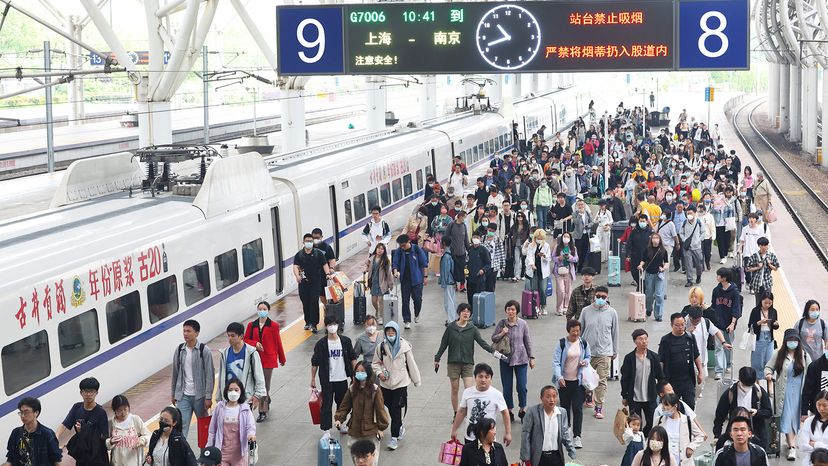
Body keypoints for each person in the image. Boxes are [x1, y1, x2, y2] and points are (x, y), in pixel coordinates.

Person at [436, 304, 504, 415]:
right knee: (454, 389)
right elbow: (444, 344)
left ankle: (469, 412)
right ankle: (456, 412)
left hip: (467, 363)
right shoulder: (451, 328)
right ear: (459, 313)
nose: (466, 313)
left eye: (468, 311)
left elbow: (482, 343)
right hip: (453, 363)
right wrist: (437, 358)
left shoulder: (472, 329)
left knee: (469, 389)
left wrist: (493, 352)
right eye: (463, 311)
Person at [373, 321, 421, 450]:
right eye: (388, 332)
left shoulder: (405, 347)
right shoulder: (381, 347)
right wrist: (379, 374)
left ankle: (394, 437)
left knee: (396, 409)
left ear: (397, 332)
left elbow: (411, 364)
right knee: (389, 407)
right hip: (386, 384)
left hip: (401, 383)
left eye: (392, 332)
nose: (390, 334)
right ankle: (399, 426)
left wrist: (416, 380)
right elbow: (375, 363)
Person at [311, 315, 357, 438]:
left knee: (342, 403)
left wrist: (354, 374)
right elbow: (315, 362)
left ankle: (341, 424)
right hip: (327, 379)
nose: (332, 327)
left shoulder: (345, 341)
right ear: (326, 326)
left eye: (334, 324)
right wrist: (313, 379)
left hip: (342, 377)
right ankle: (326, 430)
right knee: (327, 404)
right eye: (330, 324)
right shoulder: (321, 344)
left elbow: (353, 358)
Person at [335, 361, 389, 464]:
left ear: (368, 373)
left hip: (371, 431)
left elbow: (380, 410)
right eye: (357, 371)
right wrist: (339, 419)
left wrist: (381, 428)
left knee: (371, 461)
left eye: (362, 371)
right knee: (358, 461)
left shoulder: (375, 390)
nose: (359, 373)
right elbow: (344, 406)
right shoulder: (352, 389)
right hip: (355, 430)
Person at [764, 328, 806, 461]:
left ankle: (791, 443)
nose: (792, 342)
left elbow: (811, 371)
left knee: (795, 419)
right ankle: (792, 447)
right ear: (785, 341)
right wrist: (769, 374)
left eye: (795, 340)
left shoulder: (804, 355)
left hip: (799, 393)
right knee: (788, 418)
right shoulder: (778, 353)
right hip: (784, 392)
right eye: (790, 340)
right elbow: (768, 367)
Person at [579, 286, 619, 420]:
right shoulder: (586, 311)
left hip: (604, 352)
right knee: (586, 379)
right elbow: (580, 330)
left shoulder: (612, 313)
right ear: (594, 296)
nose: (600, 299)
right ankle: (588, 394)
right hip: (588, 353)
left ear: (607, 298)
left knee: (602, 381)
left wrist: (615, 351)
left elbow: (615, 333)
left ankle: (599, 407)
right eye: (598, 296)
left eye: (603, 297)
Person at [492, 300, 536, 422]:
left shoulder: (523, 324)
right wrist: (502, 333)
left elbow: (528, 341)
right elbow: (494, 338)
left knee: (521, 386)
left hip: (521, 359)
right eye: (508, 309)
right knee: (507, 387)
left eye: (513, 309)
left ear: (517, 311)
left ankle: (522, 409)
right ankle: (509, 411)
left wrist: (531, 357)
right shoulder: (502, 324)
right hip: (505, 359)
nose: (510, 311)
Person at [243, 302, 286, 423]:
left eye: (264, 309)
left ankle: (262, 411)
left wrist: (282, 358)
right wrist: (255, 344)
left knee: (264, 385)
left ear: (268, 310)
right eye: (260, 309)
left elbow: (278, 342)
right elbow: (246, 340)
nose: (262, 311)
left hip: (269, 359)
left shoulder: (274, 325)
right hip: (256, 359)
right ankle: (267, 399)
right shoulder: (252, 325)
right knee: (258, 385)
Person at [450, 364, 512, 447]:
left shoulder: (497, 394)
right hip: (470, 437)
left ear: (491, 379)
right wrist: (454, 429)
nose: (483, 380)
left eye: (487, 377)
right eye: (480, 376)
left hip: (488, 437)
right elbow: (461, 412)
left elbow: (505, 413)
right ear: (475, 377)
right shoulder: (467, 392)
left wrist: (508, 433)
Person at [171, 319, 215, 436]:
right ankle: (182, 453)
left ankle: (204, 453)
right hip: (183, 395)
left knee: (203, 426)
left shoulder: (204, 351)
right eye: (184, 331)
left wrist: (209, 397)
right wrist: (173, 393)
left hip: (200, 396)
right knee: (181, 426)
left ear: (197, 333)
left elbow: (210, 375)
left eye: (189, 331)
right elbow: (175, 373)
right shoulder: (180, 350)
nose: (185, 334)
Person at [713, 367, 773, 450]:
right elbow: (720, 415)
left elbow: (769, 412)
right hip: (734, 437)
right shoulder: (731, 393)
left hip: (757, 435)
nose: (747, 388)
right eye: (745, 385)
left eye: (750, 385)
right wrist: (717, 435)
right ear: (739, 380)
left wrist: (757, 412)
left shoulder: (759, 392)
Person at [552, 319, 590, 448]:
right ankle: (566, 430)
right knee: (565, 407)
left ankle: (577, 436)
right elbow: (556, 362)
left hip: (578, 382)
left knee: (578, 408)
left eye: (578, 330)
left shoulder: (583, 343)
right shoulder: (562, 344)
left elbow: (588, 356)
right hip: (564, 382)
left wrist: (585, 361)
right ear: (568, 330)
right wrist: (559, 377)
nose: (576, 333)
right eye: (573, 330)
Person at [621, 329, 664, 437]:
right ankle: (636, 442)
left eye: (645, 338)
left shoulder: (653, 357)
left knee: (652, 421)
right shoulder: (629, 358)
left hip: (650, 396)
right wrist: (624, 395)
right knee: (635, 423)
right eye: (641, 339)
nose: (644, 341)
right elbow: (625, 378)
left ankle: (644, 436)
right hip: (634, 397)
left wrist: (661, 393)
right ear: (635, 341)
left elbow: (660, 376)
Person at [520, 385, 577, 466]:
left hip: (556, 455)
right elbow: (526, 434)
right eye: (548, 397)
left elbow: (565, 433)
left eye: (554, 396)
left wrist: (571, 449)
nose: (552, 400)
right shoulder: (532, 411)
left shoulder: (562, 412)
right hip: (539, 456)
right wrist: (525, 457)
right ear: (541, 398)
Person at [56, 377, 108, 464]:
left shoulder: (101, 412)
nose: (88, 394)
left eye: (91, 391)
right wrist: (55, 438)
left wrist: (83, 430)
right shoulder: (76, 407)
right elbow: (64, 424)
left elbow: (104, 436)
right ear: (81, 393)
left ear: (96, 393)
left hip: (97, 455)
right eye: (85, 391)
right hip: (82, 453)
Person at [216, 323, 266, 410]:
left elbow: (259, 375)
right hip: (228, 397)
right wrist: (219, 397)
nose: (230, 339)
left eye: (233, 336)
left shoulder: (251, 353)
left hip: (246, 398)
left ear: (241, 336)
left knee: (244, 422)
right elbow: (221, 376)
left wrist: (257, 396)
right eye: (228, 336)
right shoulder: (224, 353)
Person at [657, 314, 703, 410]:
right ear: (671, 325)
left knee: (690, 405)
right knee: (672, 406)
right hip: (671, 380)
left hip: (687, 379)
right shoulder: (665, 340)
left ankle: (688, 423)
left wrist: (700, 373)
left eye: (682, 324)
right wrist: (661, 380)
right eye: (677, 325)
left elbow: (696, 355)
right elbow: (661, 361)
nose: (680, 327)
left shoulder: (690, 338)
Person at [206, 379, 256, 466]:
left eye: (236, 390)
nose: (233, 392)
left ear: (241, 392)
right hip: (222, 453)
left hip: (239, 455)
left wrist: (251, 435)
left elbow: (250, 426)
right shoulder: (219, 407)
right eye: (230, 390)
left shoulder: (245, 409)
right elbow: (212, 430)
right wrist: (209, 447)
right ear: (226, 391)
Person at [3, 397, 61, 466]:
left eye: (26, 412)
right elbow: (10, 458)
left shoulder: (47, 434)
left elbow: (56, 460)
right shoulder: (16, 433)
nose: (23, 416)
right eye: (21, 412)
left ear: (36, 413)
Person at [294, 233, 332, 332]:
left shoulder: (318, 253)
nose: (309, 243)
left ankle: (314, 324)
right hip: (303, 283)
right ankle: (307, 322)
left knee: (314, 302)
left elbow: (324, 264)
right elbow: (295, 266)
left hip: (315, 282)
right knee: (305, 302)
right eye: (307, 241)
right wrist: (297, 276)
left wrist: (327, 273)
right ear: (303, 242)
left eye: (310, 241)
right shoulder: (299, 255)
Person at [684, 305, 732, 381]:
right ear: (690, 317)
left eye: (698, 320)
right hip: (687, 361)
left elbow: (716, 332)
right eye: (695, 321)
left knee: (702, 381)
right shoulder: (683, 323)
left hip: (702, 359)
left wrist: (723, 342)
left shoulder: (705, 322)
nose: (697, 322)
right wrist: (687, 332)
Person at [391, 235, 429, 328]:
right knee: (405, 301)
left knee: (417, 299)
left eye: (404, 245)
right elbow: (395, 263)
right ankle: (407, 320)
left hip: (417, 280)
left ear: (409, 242)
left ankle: (417, 313)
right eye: (401, 246)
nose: (402, 247)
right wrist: (395, 272)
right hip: (405, 280)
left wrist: (425, 277)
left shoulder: (416, 250)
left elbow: (424, 263)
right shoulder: (399, 251)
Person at [656, 393, 704, 466]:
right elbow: (652, 437)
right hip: (664, 461)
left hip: (683, 461)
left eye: (666, 405)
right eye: (662, 405)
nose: (663, 408)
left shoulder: (687, 420)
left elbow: (700, 435)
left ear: (675, 406)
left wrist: (691, 447)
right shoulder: (659, 421)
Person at [712, 268, 742, 380]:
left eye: (718, 275)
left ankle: (728, 364)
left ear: (724, 278)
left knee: (728, 346)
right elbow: (713, 306)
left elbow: (736, 308)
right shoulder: (716, 290)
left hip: (729, 324)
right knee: (718, 347)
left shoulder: (734, 292)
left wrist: (733, 323)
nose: (717, 277)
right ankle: (719, 370)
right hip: (718, 324)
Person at [107, 395, 151, 466]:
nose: (123, 412)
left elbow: (148, 435)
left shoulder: (135, 420)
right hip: (117, 463)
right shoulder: (111, 423)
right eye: (119, 410)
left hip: (136, 462)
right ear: (114, 410)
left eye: (125, 409)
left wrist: (141, 440)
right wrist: (111, 442)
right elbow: (105, 444)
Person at [747, 292, 779, 377]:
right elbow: (750, 325)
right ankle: (757, 383)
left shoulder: (773, 311)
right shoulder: (755, 311)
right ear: (761, 301)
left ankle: (769, 381)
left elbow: (775, 326)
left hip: (769, 338)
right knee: (757, 362)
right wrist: (760, 322)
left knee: (769, 361)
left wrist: (775, 324)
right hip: (758, 337)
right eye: (765, 303)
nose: (767, 305)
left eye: (770, 303)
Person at [639, 233, 669, 321]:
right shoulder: (647, 250)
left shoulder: (663, 250)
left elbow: (666, 262)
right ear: (651, 240)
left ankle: (658, 315)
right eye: (654, 238)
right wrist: (641, 266)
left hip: (659, 275)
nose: (655, 240)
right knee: (649, 295)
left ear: (660, 240)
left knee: (659, 295)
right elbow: (643, 260)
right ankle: (649, 308)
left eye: (657, 238)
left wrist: (664, 268)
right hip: (649, 274)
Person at [745, 237, 780, 308]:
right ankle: (758, 317)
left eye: (766, 245)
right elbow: (747, 269)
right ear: (759, 246)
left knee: (768, 301)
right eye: (763, 245)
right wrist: (757, 267)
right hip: (757, 283)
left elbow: (776, 268)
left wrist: (770, 264)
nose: (765, 247)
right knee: (758, 302)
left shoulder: (771, 256)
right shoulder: (754, 256)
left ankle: (767, 316)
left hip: (767, 282)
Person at [524, 228, 552, 315]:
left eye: (541, 238)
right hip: (534, 270)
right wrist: (532, 265)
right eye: (538, 238)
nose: (539, 240)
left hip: (543, 271)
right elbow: (529, 256)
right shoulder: (531, 245)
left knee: (543, 289)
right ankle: (537, 306)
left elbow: (549, 258)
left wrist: (544, 255)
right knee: (534, 290)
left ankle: (544, 306)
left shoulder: (546, 245)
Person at [363, 242, 393, 323]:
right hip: (373, 282)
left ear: (384, 251)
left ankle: (380, 316)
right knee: (373, 301)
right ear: (376, 249)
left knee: (381, 301)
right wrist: (366, 269)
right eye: (379, 248)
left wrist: (390, 284)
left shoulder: (386, 261)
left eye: (382, 249)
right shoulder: (372, 258)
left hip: (382, 282)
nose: (380, 250)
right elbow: (367, 265)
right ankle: (377, 311)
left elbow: (389, 273)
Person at [552, 232, 578, 316]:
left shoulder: (573, 248)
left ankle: (566, 307)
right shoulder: (557, 247)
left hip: (568, 272)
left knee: (568, 291)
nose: (566, 238)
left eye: (567, 237)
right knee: (561, 291)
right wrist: (559, 258)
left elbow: (576, 259)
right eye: (564, 236)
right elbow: (553, 257)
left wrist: (569, 257)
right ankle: (559, 308)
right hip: (559, 271)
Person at [678, 206, 704, 287]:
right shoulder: (684, 223)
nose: (689, 215)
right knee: (688, 264)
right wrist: (684, 239)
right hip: (687, 247)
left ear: (695, 213)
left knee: (698, 263)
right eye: (687, 213)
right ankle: (689, 280)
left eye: (690, 213)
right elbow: (681, 232)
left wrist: (699, 240)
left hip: (697, 247)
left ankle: (699, 275)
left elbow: (703, 232)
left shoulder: (699, 222)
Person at [445, 209, 470, 292]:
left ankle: (462, 285)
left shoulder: (464, 226)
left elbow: (466, 239)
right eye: (464, 217)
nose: (464, 219)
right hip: (453, 252)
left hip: (462, 252)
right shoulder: (451, 224)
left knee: (463, 269)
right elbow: (446, 236)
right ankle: (454, 283)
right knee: (454, 269)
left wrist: (468, 250)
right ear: (460, 217)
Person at [800, 392, 828, 466]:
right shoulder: (809, 421)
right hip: (811, 462)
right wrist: (825, 447)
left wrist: (815, 444)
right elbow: (803, 446)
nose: (821, 408)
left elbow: (808, 446)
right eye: (818, 405)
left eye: (825, 405)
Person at [628, 214, 654, 290]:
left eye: (643, 221)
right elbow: (629, 243)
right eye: (640, 221)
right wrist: (628, 255)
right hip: (635, 255)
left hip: (646, 257)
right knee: (634, 272)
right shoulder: (634, 231)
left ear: (646, 222)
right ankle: (640, 284)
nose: (642, 222)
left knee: (646, 273)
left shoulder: (650, 232)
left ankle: (643, 288)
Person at [439, 236, 458, 325]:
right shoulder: (450, 253)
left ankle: (451, 320)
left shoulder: (446, 256)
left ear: (444, 243)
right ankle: (453, 318)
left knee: (448, 302)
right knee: (452, 301)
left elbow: (445, 271)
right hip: (452, 281)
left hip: (448, 282)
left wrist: (443, 283)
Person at [571, 199, 593, 273]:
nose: (581, 206)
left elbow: (592, 221)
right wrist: (580, 215)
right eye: (579, 205)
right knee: (577, 252)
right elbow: (576, 222)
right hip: (578, 235)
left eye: (582, 204)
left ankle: (580, 267)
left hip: (585, 234)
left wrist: (588, 225)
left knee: (584, 252)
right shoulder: (575, 213)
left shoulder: (587, 213)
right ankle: (574, 267)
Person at [698, 203, 716, 271]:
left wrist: (713, 236)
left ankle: (707, 263)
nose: (701, 212)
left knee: (707, 253)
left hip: (708, 237)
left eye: (702, 211)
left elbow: (712, 226)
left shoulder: (710, 216)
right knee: (701, 253)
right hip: (700, 238)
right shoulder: (697, 216)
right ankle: (702, 266)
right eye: (699, 211)